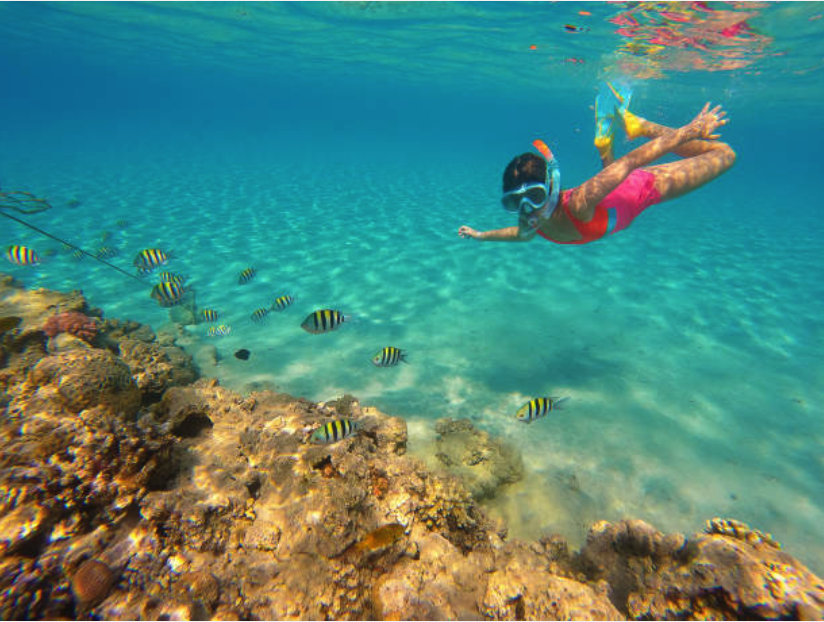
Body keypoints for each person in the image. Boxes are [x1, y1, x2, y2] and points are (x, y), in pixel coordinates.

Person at [457, 83, 735, 245]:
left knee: (725, 154)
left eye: (534, 196)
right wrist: (480, 235)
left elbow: (632, 162)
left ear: (551, 186)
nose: (527, 209)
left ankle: (642, 126)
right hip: (614, 200)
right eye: (514, 202)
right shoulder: (529, 215)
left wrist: (692, 130)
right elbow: (520, 235)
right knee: (611, 183)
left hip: (647, 188)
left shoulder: (579, 201)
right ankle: (606, 146)